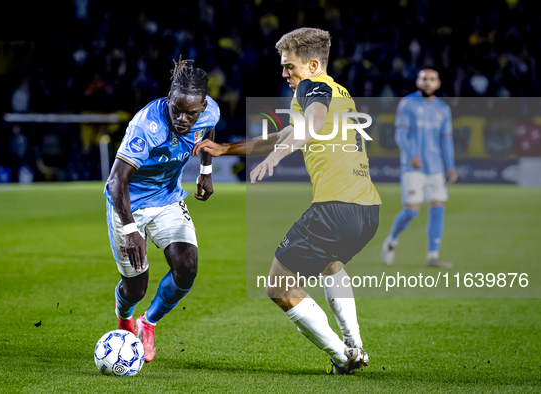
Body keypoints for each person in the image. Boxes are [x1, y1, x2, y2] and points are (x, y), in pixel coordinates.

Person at [193, 28, 381, 375]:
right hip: (367, 210)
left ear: (312, 64)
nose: (285, 74)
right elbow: (285, 132)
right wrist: (227, 148)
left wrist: (277, 157)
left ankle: (344, 357)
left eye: (289, 67)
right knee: (331, 264)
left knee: (279, 286)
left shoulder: (315, 86)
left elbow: (312, 125)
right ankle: (354, 344)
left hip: (335, 208)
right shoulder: (340, 91)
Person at [104, 58, 220, 363]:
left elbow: (208, 135)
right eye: (177, 109)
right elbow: (116, 180)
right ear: (168, 100)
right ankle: (125, 316)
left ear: (203, 106)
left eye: (191, 113)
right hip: (129, 203)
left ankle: (148, 322)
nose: (183, 118)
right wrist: (131, 230)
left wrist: (205, 171)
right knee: (135, 288)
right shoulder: (147, 126)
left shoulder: (210, 112)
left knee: (187, 267)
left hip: (167, 199)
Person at [380, 69, 457, 268]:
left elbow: (446, 141)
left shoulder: (443, 109)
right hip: (412, 166)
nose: (428, 83)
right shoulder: (408, 104)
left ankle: (433, 256)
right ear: (418, 81)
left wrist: (451, 166)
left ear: (438, 83)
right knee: (412, 211)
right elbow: (401, 135)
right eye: (424, 79)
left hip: (436, 167)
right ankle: (391, 241)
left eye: (432, 79)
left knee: (438, 209)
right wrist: (410, 154)